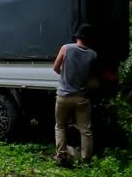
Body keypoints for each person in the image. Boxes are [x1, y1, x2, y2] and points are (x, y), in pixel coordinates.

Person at [53, 23, 97, 164]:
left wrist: (64, 75)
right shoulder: (93, 55)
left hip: (63, 97)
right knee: (85, 131)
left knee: (60, 126)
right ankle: (86, 160)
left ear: (77, 36)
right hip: (81, 98)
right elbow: (91, 77)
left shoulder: (66, 48)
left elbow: (56, 67)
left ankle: (61, 156)